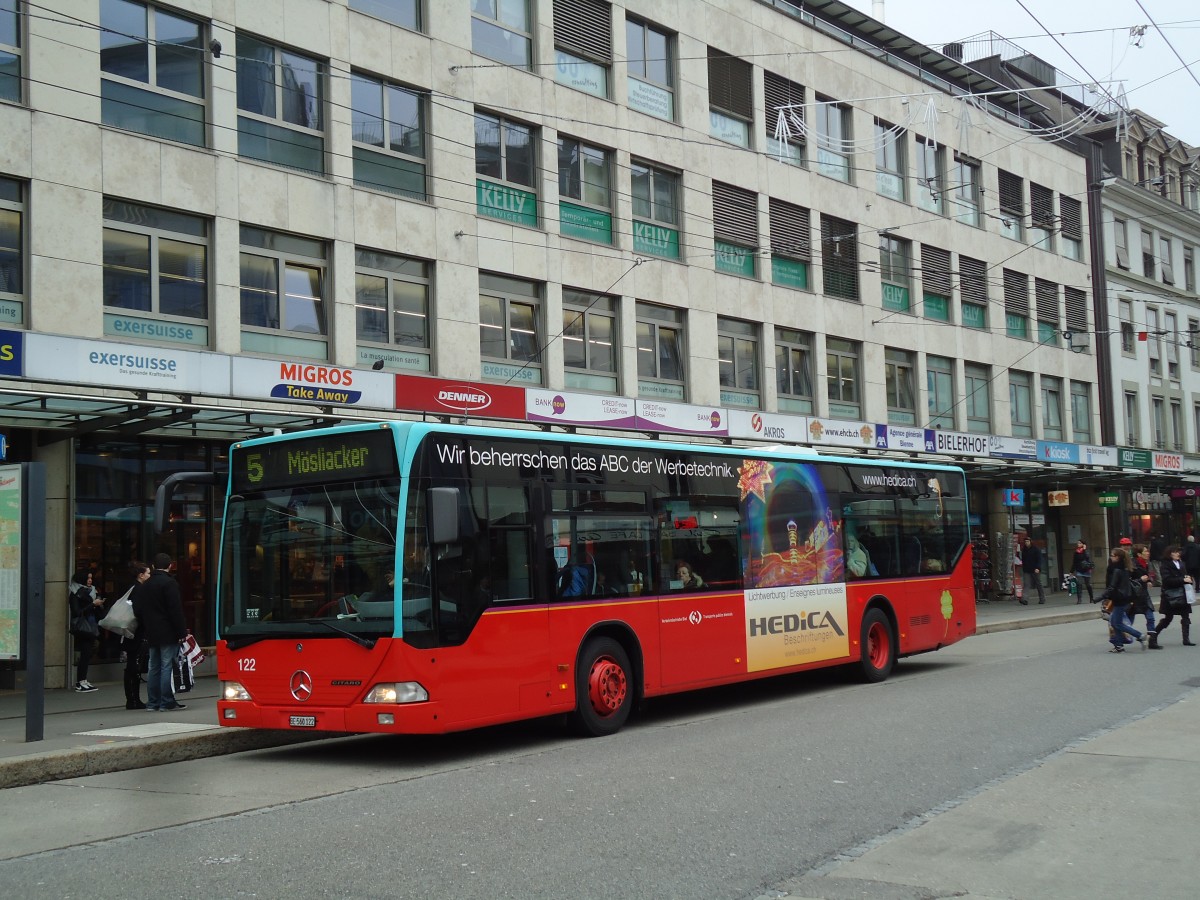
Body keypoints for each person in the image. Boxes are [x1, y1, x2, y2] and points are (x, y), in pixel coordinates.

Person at [132, 553, 189, 711]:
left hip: (151, 631)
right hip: (168, 631)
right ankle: (166, 702)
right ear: (170, 566)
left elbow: (138, 610)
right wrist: (181, 632)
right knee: (166, 667)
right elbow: (175, 611)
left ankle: (153, 702)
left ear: (153, 566)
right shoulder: (169, 583)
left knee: (154, 667)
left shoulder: (146, 585)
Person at [1094, 547, 1145, 652]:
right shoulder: (1125, 568)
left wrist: (1100, 597)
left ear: (1117, 557)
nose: (1111, 558)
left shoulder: (1117, 570)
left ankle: (1139, 635)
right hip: (1123, 598)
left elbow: (1112, 587)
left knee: (1117, 623)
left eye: (1112, 556)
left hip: (1118, 599)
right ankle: (1119, 645)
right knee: (1114, 622)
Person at [1150, 545, 1194, 649]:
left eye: (1178, 552)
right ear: (1169, 554)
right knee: (1168, 618)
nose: (1178, 554)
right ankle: (1153, 637)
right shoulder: (1165, 565)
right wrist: (1182, 580)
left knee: (1186, 616)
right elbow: (1167, 580)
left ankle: (1186, 639)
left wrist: (1187, 578)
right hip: (1170, 596)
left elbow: (1184, 576)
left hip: (1182, 594)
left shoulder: (1181, 563)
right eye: (1175, 552)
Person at [68, 569, 104, 692]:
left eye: (91, 578)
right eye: (88, 578)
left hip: (92, 624)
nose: (90, 581)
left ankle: (83, 680)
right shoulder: (75, 593)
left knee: (88, 653)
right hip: (82, 627)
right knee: (85, 653)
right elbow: (76, 612)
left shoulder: (92, 591)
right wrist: (93, 604)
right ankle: (80, 681)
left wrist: (98, 605)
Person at [121, 562, 151, 709]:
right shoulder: (139, 589)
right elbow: (139, 611)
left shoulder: (131, 587)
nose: (149, 576)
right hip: (136, 631)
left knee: (132, 664)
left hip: (129, 630)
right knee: (134, 665)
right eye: (147, 573)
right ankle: (133, 699)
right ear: (141, 575)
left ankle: (131, 699)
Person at [1128, 545, 1157, 639]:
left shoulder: (1146, 563)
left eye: (1148, 551)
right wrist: (1140, 580)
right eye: (1145, 551)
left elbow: (1148, 575)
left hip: (1144, 595)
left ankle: (1152, 640)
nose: (1148, 553)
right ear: (1139, 554)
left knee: (1150, 617)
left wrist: (1149, 581)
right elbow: (1128, 580)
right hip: (1134, 596)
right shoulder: (1132, 565)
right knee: (1129, 620)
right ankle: (1120, 640)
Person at [1020, 537, 1046, 605]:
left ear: (1030, 542)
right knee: (1026, 584)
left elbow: (1039, 559)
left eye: (1028, 541)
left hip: (1035, 569)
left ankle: (1042, 598)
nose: (1026, 543)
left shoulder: (1036, 549)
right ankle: (1024, 599)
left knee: (1038, 584)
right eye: (1025, 541)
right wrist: (1024, 568)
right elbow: (1023, 560)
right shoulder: (1024, 550)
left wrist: (1038, 568)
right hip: (1027, 570)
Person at [1070, 539, 1095, 604]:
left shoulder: (1086, 551)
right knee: (1079, 584)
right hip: (1079, 570)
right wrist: (1071, 571)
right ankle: (1079, 599)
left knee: (1088, 585)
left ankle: (1091, 598)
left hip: (1086, 570)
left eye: (1080, 543)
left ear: (1083, 544)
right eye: (1078, 543)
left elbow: (1087, 558)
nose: (1078, 544)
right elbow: (1074, 562)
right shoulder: (1076, 552)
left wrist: (1084, 550)